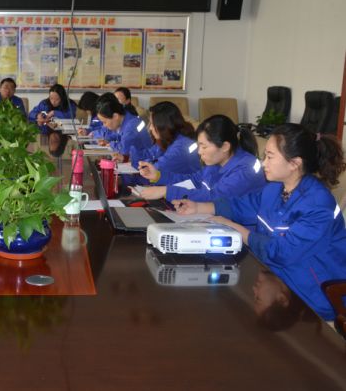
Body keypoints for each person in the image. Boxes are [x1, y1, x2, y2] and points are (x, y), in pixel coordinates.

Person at [174, 123, 346, 320]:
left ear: (294, 163)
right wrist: (198, 208)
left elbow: (281, 252)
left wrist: (237, 229)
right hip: (279, 279)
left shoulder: (318, 205)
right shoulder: (275, 188)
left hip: (313, 296)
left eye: (270, 157)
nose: (264, 163)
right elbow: (243, 205)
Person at [139, 115, 265, 201]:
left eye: (204, 147)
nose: (199, 152)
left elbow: (215, 197)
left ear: (225, 146)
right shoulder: (217, 161)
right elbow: (194, 180)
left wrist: (167, 191)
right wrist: (158, 176)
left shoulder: (246, 170)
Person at [130, 101, 200, 182]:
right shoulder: (168, 139)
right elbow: (147, 155)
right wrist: (134, 148)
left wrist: (146, 163)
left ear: (163, 125)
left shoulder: (181, 148)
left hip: (184, 189)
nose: (150, 128)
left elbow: (152, 173)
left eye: (152, 124)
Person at [94, 93, 152, 160]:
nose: (104, 125)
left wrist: (111, 144)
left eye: (105, 122)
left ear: (115, 116)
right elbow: (119, 136)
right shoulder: (126, 118)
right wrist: (108, 140)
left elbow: (124, 151)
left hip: (145, 162)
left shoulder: (131, 126)